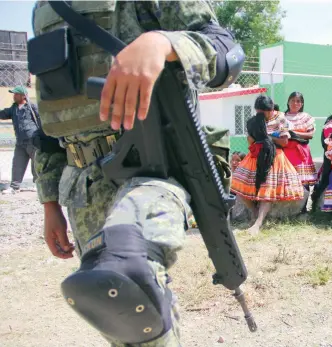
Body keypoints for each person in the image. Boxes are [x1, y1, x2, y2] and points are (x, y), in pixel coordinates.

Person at [30, 2, 239, 346]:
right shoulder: (44, 7)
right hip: (83, 187)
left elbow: (225, 50)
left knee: (129, 278)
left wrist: (163, 43)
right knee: (124, 320)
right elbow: (52, 112)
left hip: (150, 165)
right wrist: (49, 202)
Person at [230, 95, 305, 234]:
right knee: (238, 183)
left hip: (274, 158)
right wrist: (255, 136)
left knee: (267, 189)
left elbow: (284, 142)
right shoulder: (254, 120)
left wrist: (265, 137)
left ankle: (258, 223)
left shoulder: (281, 119)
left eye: (262, 112)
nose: (259, 115)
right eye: (257, 111)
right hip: (255, 156)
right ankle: (254, 214)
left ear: (270, 110)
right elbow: (250, 141)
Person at [0, 85, 40, 194]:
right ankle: (14, 187)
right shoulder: (13, 108)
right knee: (17, 164)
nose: (14, 96)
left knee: (36, 163)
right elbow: (2, 114)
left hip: (33, 140)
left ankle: (38, 185)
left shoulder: (31, 107)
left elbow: (40, 119)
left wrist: (41, 135)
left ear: (23, 96)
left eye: (16, 94)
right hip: (20, 142)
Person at [283, 91, 318, 187]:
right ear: (288, 102)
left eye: (298, 101)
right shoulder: (282, 117)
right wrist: (299, 134)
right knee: (287, 182)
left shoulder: (306, 117)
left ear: (302, 104)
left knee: (303, 183)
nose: (295, 103)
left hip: (301, 152)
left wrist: (292, 133)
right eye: (293, 100)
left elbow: (310, 134)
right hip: (286, 151)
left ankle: (304, 202)